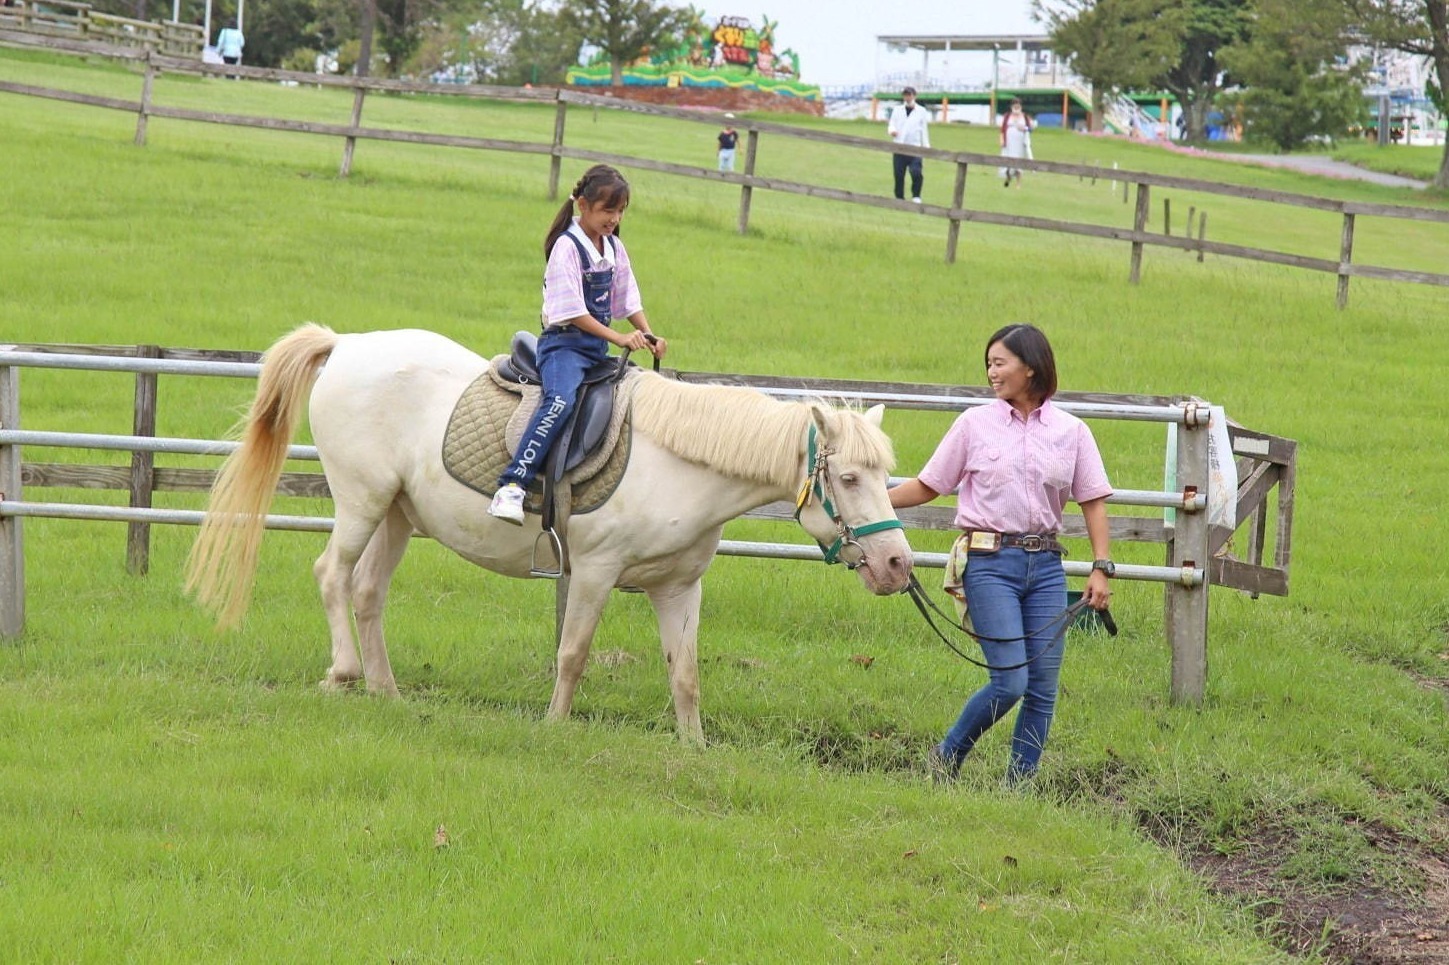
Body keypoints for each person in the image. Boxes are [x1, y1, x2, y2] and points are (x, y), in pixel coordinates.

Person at [889, 323, 1114, 786]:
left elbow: (1092, 500)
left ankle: (1018, 788)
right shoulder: (974, 424)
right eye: (988, 363)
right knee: (1011, 681)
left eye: (1000, 362)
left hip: (1047, 567)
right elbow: (929, 486)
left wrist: (1100, 567)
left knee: (1043, 687)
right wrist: (869, 499)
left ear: (1030, 367)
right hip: (989, 563)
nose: (991, 372)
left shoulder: (1072, 431)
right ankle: (946, 758)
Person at [488, 164, 667, 524]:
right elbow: (570, 310)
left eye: (620, 211)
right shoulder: (565, 248)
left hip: (595, 350)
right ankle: (512, 485)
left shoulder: (613, 247)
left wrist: (648, 334)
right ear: (583, 205)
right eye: (607, 210)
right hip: (564, 346)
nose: (614, 219)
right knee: (560, 402)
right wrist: (619, 337)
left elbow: (626, 299)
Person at [887, 86, 930, 203]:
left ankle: (916, 195)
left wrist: (926, 147)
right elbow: (892, 124)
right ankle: (899, 198)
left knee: (916, 172)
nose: (907, 97)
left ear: (914, 96)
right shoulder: (897, 110)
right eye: (905, 95)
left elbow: (924, 130)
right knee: (899, 174)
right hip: (899, 146)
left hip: (914, 147)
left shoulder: (921, 111)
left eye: (910, 95)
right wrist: (892, 131)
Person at [998, 98, 1034, 188]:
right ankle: (1008, 177)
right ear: (1011, 107)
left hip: (1020, 143)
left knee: (1019, 164)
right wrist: (1001, 139)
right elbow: (1002, 129)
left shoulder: (1025, 117)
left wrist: (1024, 128)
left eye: (1018, 106)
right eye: (1014, 106)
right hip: (1009, 143)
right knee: (1007, 162)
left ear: (1021, 107)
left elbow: (1031, 129)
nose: (1016, 108)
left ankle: (1018, 183)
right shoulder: (1007, 116)